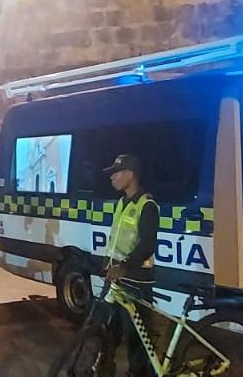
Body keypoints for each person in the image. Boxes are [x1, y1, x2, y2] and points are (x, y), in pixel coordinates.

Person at [99, 154, 159, 377]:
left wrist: (123, 266)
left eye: (116, 173)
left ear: (130, 175)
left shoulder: (147, 205)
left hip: (137, 280)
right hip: (116, 277)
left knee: (137, 338)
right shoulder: (122, 202)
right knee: (107, 328)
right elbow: (117, 239)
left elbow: (147, 245)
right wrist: (109, 262)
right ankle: (104, 367)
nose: (112, 178)